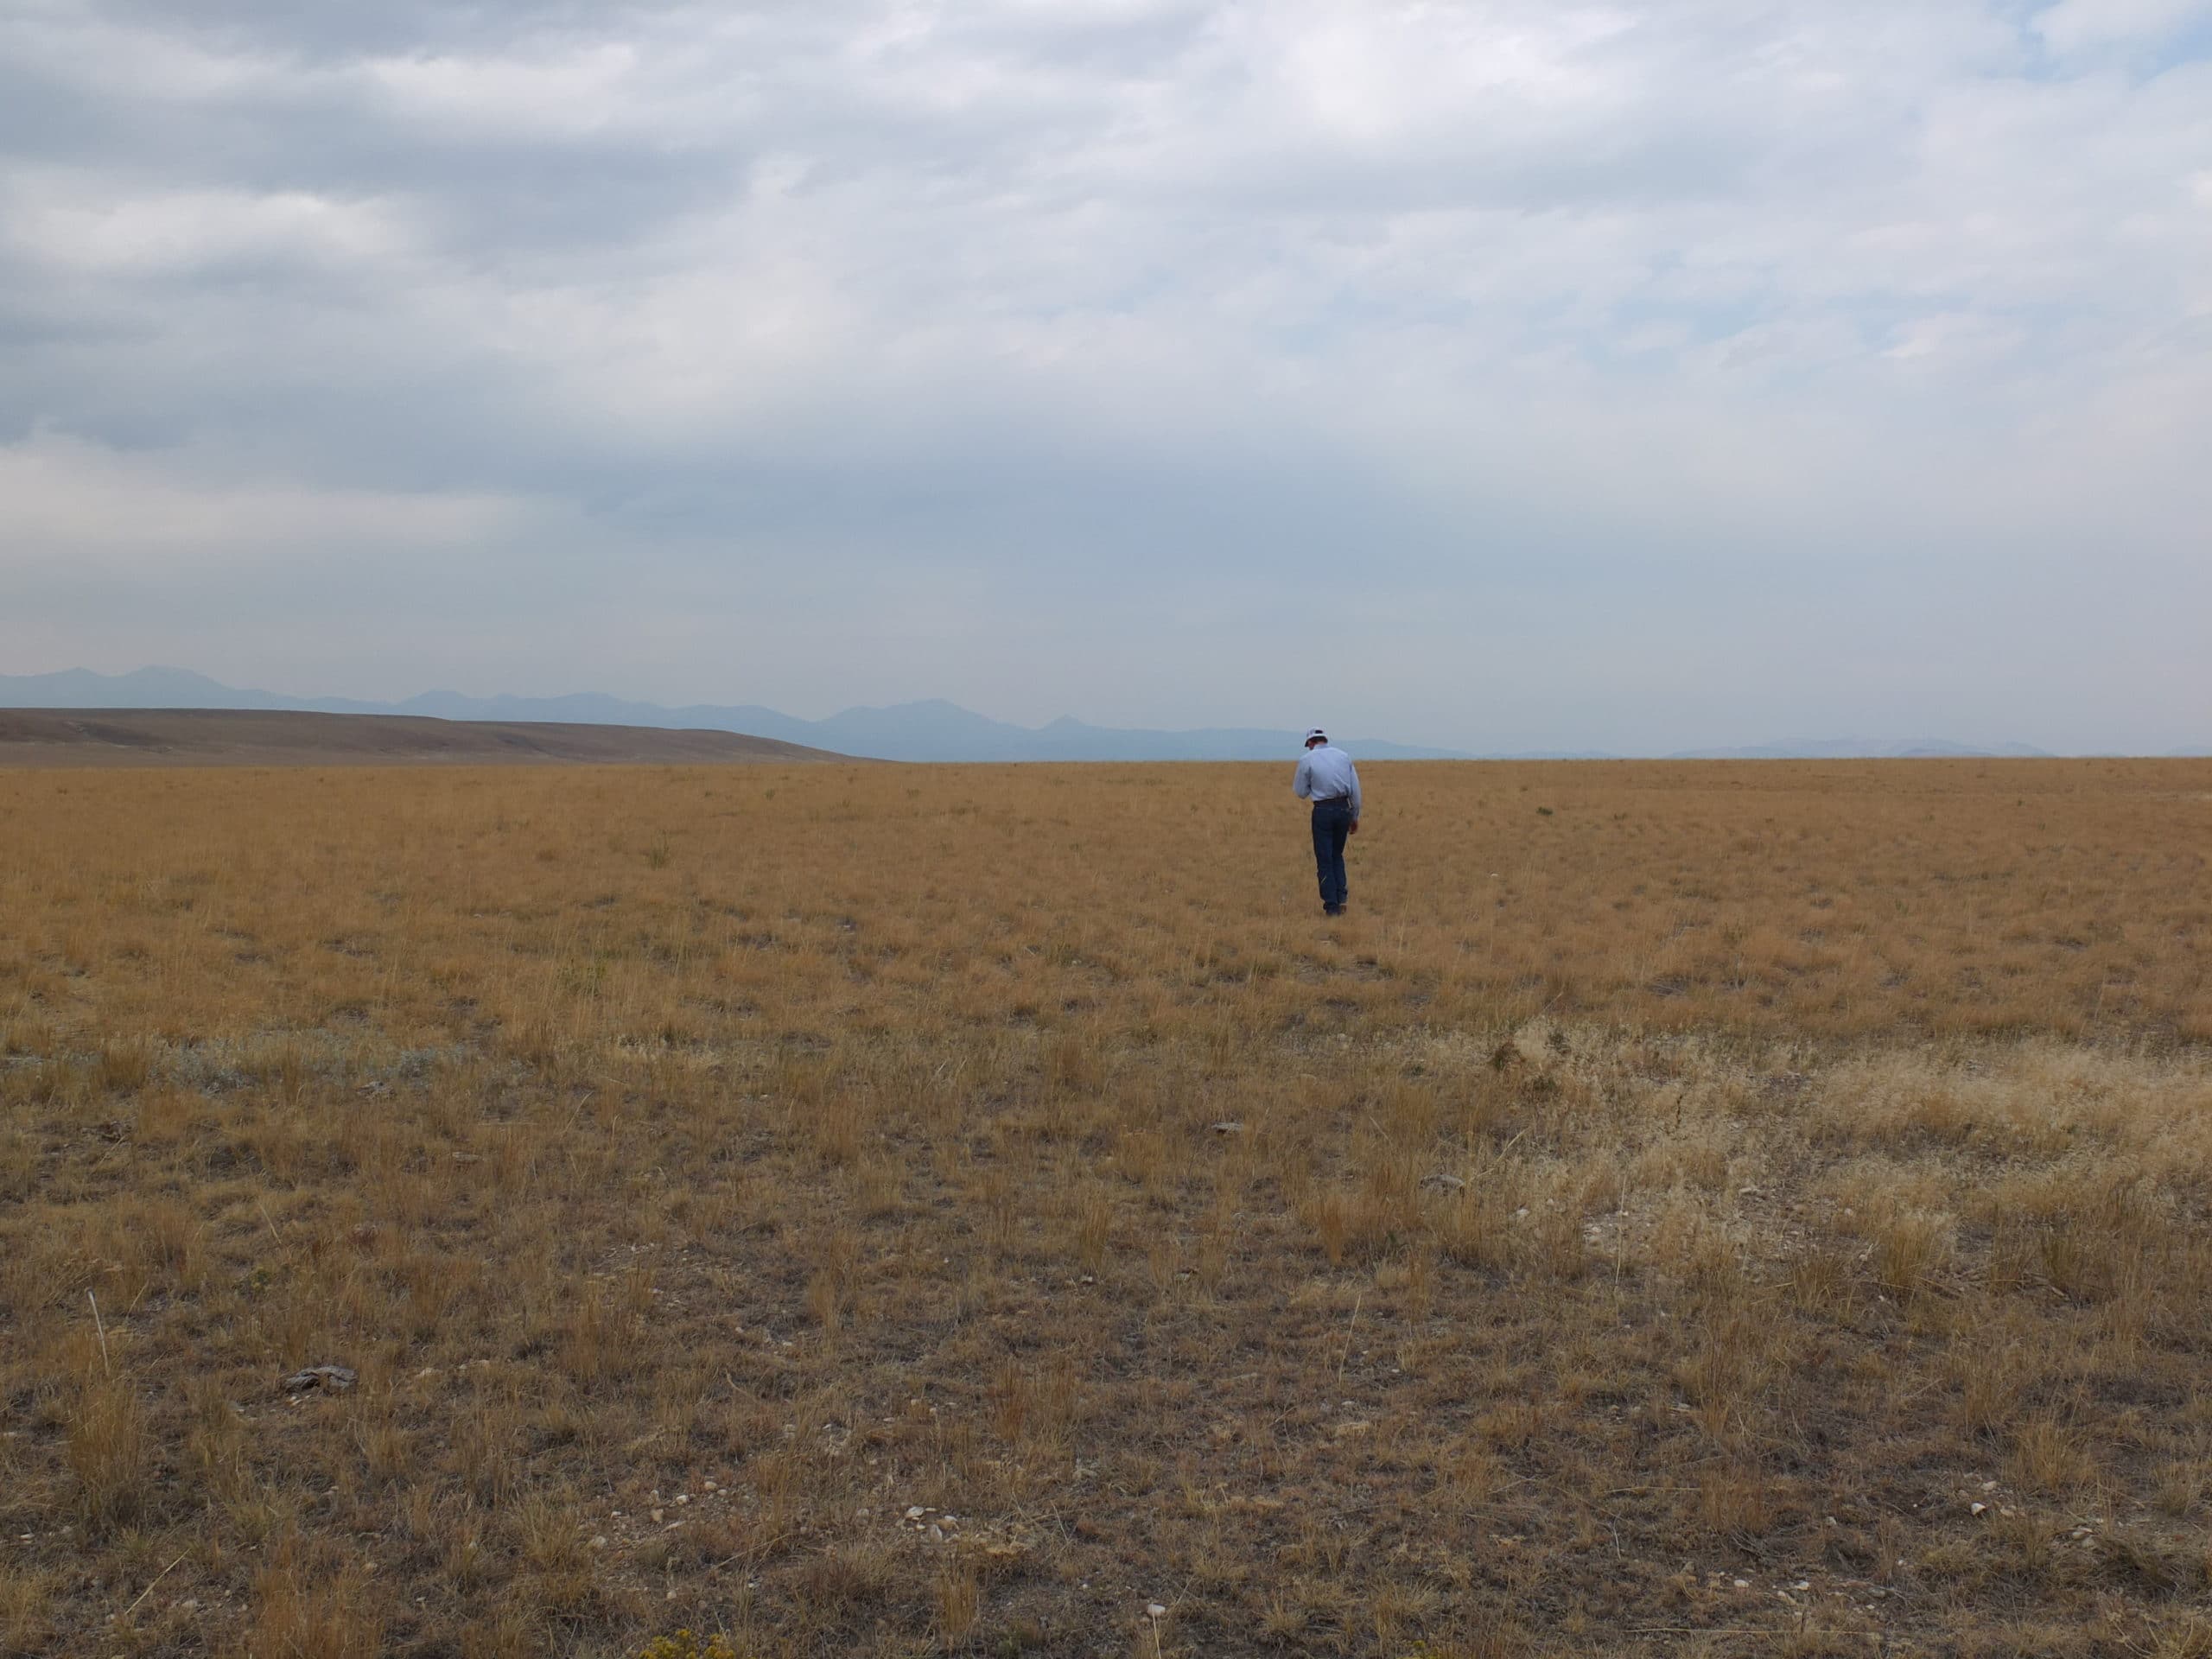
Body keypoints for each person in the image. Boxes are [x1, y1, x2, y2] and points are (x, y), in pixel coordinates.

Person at [1293, 728, 1361, 916]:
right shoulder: (1343, 756)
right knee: (1337, 855)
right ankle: (1342, 898)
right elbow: (1355, 791)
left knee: (1324, 858)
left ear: (1311, 743)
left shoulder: (1307, 760)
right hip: (1343, 809)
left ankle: (1331, 905)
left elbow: (1300, 791)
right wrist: (1354, 817)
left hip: (1322, 810)